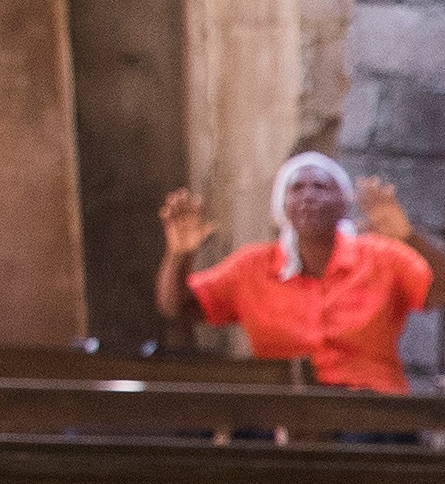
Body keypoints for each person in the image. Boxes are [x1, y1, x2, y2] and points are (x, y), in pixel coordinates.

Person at [157, 150, 429, 395]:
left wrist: (409, 237)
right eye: (296, 188)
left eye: (320, 186)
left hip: (371, 409)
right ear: (282, 204)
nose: (308, 196)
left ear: (343, 202)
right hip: (280, 406)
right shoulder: (252, 265)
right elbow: (177, 306)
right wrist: (180, 254)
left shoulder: (381, 257)